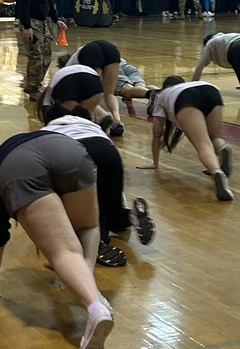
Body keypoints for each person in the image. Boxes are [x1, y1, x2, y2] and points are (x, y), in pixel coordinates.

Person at [0, 129, 114, 349]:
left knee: (63, 251)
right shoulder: (22, 140)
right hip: (69, 148)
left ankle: (96, 307)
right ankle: (90, 291)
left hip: (22, 166)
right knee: (88, 227)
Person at [43, 102, 156, 267]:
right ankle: (131, 215)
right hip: (108, 151)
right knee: (112, 212)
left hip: (74, 151)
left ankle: (97, 242)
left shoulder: (48, 131)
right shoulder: (93, 127)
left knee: (80, 215)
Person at [139, 77, 234, 201]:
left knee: (203, 145)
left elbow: (157, 133)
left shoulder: (162, 96)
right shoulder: (188, 85)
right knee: (214, 138)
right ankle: (223, 147)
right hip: (211, 89)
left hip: (185, 97)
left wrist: (155, 163)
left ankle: (216, 171)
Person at [16, 0, 67, 101]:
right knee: (36, 55)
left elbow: (49, 2)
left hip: (42, 22)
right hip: (31, 22)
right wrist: (27, 26)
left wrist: (56, 19)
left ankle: (37, 84)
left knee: (46, 55)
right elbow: (24, 4)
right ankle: (32, 88)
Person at [59, 39, 124, 136]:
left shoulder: (67, 68)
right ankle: (117, 120)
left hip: (92, 51)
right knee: (109, 93)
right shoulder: (77, 54)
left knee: (85, 95)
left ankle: (102, 115)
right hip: (111, 49)